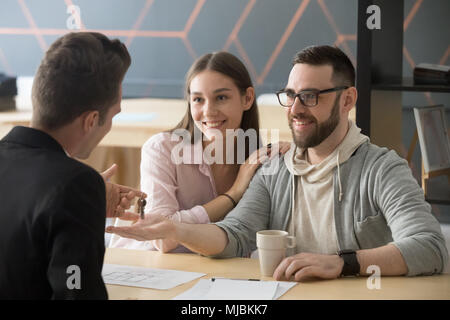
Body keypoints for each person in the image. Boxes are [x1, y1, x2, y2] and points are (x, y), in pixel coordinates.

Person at [107, 45, 448, 280]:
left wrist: (342, 264)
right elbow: (235, 234)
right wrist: (177, 230)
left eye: (311, 97)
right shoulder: (274, 166)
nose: (296, 109)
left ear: (347, 100)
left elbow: (431, 247)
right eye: (291, 96)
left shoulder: (382, 168)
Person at [0, 32, 145, 299]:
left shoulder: (71, 188)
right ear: (91, 120)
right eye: (113, 115)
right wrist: (78, 197)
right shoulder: (75, 185)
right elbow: (76, 292)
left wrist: (81, 206)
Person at [111, 51, 289, 252]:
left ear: (247, 98)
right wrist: (232, 195)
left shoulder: (256, 157)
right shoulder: (162, 149)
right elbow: (162, 238)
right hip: (151, 267)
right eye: (198, 100)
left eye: (221, 97)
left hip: (213, 270)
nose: (209, 111)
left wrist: (294, 153)